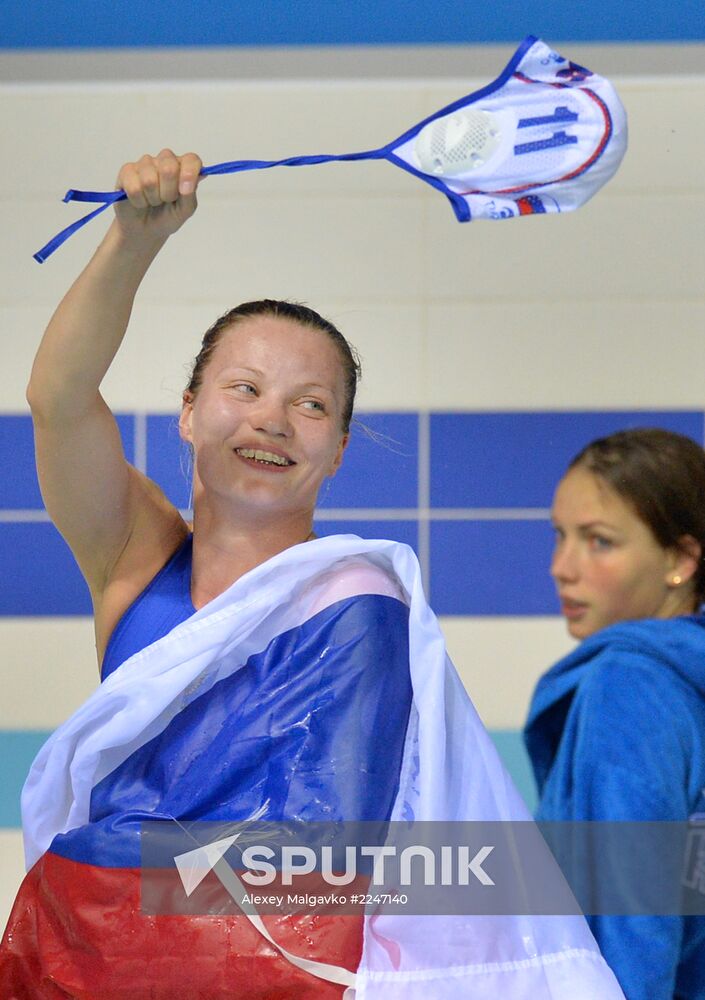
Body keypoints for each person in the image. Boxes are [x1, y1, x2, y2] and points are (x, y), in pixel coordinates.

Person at [1, 150, 626, 999]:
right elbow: (59, 398)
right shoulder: (133, 559)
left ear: (335, 448)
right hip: (94, 966)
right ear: (188, 412)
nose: (272, 420)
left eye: (310, 404)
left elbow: (343, 860)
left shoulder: (358, 605)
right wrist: (134, 240)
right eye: (244, 387)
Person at [524, 427, 705, 1000]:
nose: (562, 567)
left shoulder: (628, 684)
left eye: (599, 541)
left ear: (680, 558)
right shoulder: (686, 677)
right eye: (560, 536)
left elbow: (631, 925)